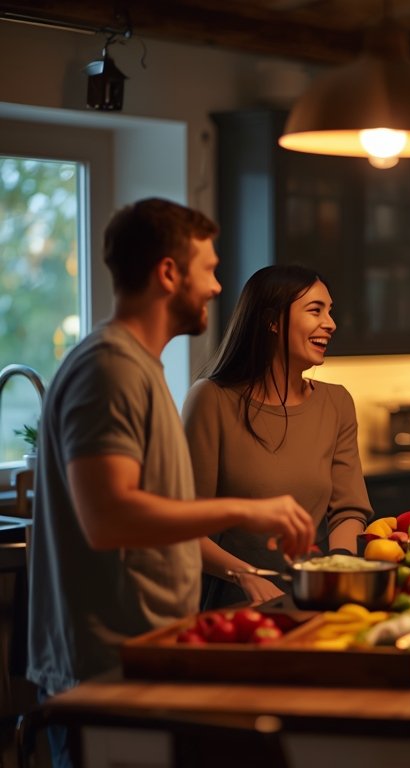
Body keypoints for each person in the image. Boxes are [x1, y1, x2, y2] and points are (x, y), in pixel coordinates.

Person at [27, 199, 315, 766]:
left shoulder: (141, 367)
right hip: (104, 668)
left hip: (144, 652)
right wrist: (246, 512)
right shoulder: (109, 368)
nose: (216, 287)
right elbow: (108, 518)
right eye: (207, 270)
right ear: (168, 273)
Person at [183, 265, 373, 608]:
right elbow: (184, 526)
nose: (330, 323)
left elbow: (348, 510)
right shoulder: (211, 399)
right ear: (272, 321)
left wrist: (337, 570)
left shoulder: (337, 402)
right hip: (232, 603)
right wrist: (245, 575)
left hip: (313, 599)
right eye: (315, 310)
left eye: (330, 311)